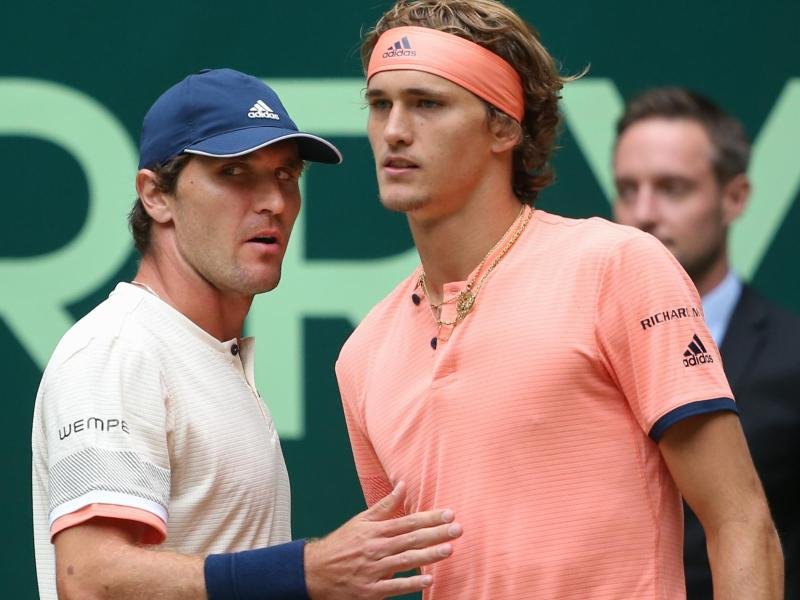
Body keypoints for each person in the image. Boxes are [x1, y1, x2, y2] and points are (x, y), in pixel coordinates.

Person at [334, 1, 784, 598]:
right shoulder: (361, 355)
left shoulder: (619, 265)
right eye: (379, 104)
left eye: (428, 103)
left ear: (504, 127)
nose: (393, 129)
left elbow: (741, 522)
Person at [31, 68, 463, 600]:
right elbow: (89, 579)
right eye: (235, 173)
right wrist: (305, 572)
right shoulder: (118, 350)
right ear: (156, 196)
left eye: (286, 176)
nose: (274, 203)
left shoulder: (203, 353)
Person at [613, 86, 800, 599]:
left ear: (735, 197)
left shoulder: (794, 358)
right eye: (628, 189)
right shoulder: (569, 353)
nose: (644, 212)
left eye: (672, 188)